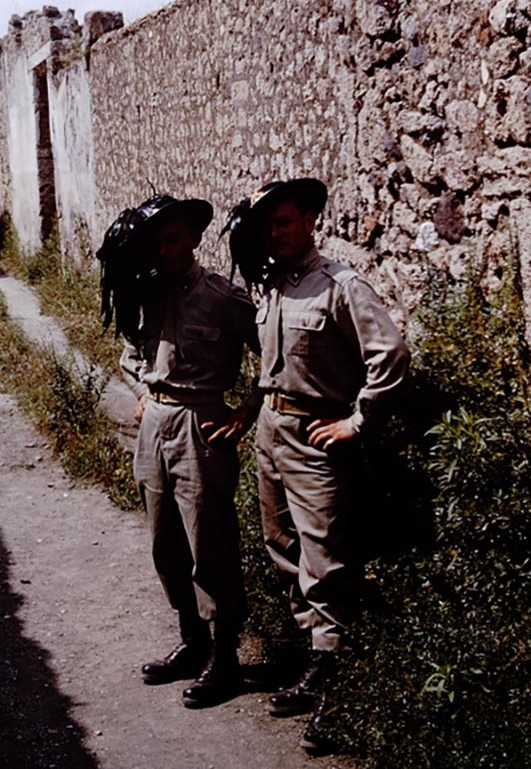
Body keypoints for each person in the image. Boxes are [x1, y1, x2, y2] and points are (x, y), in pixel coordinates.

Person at [220, 177, 410, 753]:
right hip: (271, 434)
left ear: (309, 221)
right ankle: (315, 663)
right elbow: (272, 365)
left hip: (315, 436)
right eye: (266, 226)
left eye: (283, 222)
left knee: (325, 560)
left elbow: (391, 354)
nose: (273, 234)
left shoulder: (339, 285)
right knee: (283, 550)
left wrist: (357, 421)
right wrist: (252, 408)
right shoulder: (274, 287)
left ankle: (342, 687)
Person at [96, 194, 260, 708]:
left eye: (172, 238)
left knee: (208, 544)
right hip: (155, 425)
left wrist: (245, 413)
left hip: (200, 425)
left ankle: (225, 657)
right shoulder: (145, 293)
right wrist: (143, 393)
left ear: (191, 238)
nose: (164, 250)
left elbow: (272, 356)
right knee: (165, 544)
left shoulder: (223, 297)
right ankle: (192, 641)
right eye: (156, 241)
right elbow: (130, 353)